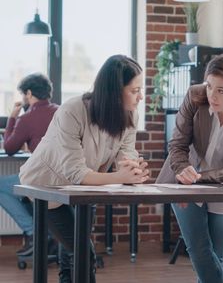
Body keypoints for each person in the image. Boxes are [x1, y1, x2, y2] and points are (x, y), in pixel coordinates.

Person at [19, 55, 149, 283]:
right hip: (46, 186)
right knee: (83, 252)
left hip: (85, 188)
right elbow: (76, 173)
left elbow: (126, 152)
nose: (141, 96)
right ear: (114, 91)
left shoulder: (131, 114)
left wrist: (132, 169)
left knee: (73, 256)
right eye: (134, 90)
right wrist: (119, 176)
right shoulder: (72, 110)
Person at [156, 54, 223, 283]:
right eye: (209, 86)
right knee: (201, 252)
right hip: (183, 183)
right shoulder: (195, 97)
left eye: (221, 91)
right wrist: (182, 169)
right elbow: (177, 144)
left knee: (212, 257)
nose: (211, 95)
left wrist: (199, 178)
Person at [0, 73, 58, 256]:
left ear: (29, 93)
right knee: (22, 192)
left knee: (1, 186)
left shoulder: (27, 118)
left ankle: (35, 233)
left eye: (24, 94)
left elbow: (9, 147)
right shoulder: (61, 111)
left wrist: (12, 118)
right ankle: (46, 234)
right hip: (66, 176)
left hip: (41, 178)